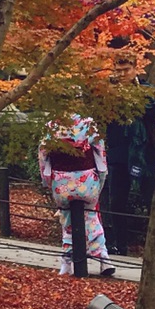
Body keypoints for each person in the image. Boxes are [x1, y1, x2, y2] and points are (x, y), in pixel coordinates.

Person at [39, 116, 113, 277]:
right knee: (91, 214)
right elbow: (100, 152)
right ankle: (102, 257)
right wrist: (101, 177)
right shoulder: (88, 124)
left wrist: (47, 180)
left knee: (67, 218)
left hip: (61, 181)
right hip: (86, 181)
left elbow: (43, 155)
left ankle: (66, 262)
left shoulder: (51, 125)